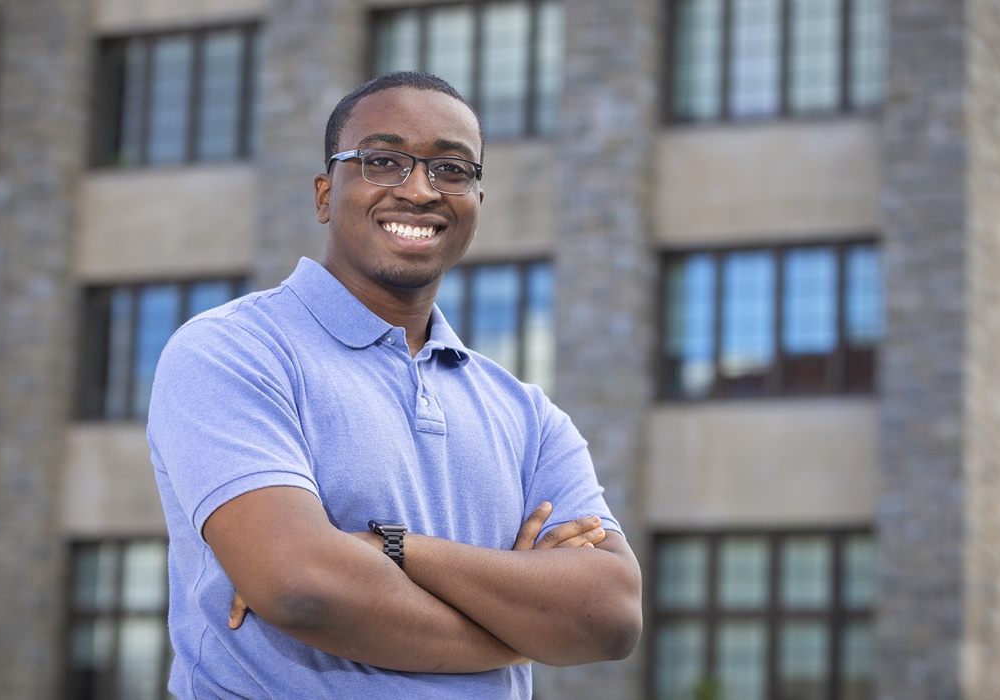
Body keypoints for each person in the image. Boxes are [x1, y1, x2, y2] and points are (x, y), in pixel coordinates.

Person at [147, 71, 643, 699]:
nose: (417, 190)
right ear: (326, 194)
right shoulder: (233, 351)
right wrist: (524, 627)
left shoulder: (528, 415)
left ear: (476, 205)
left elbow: (612, 617)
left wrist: (391, 547)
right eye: (382, 161)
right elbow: (302, 587)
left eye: (452, 170)